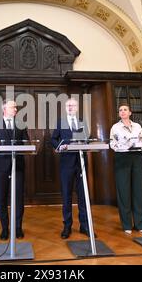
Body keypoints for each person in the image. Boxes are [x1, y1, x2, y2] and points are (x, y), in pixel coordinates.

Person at [0, 100, 29, 240]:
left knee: (18, 198)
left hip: (18, 166)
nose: (16, 109)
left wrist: (26, 145)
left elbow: (27, 142)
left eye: (16, 107)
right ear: (4, 109)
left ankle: (18, 228)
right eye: (13, 107)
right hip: (1, 167)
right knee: (1, 198)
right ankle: (5, 228)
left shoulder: (21, 125)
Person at [51, 98, 92, 239]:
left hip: (81, 162)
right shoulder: (60, 122)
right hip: (66, 163)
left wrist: (85, 141)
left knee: (83, 195)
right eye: (68, 105)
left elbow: (87, 138)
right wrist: (59, 146)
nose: (70, 107)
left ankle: (85, 226)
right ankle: (67, 226)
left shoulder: (82, 121)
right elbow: (53, 139)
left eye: (72, 105)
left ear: (76, 107)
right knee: (67, 196)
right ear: (65, 108)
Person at [110, 104, 142, 235]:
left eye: (125, 110)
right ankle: (126, 224)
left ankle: (140, 224)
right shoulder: (115, 127)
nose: (122, 112)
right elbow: (112, 143)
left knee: (138, 191)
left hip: (137, 157)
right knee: (124, 192)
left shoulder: (138, 126)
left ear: (130, 112)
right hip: (122, 157)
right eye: (120, 110)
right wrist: (122, 146)